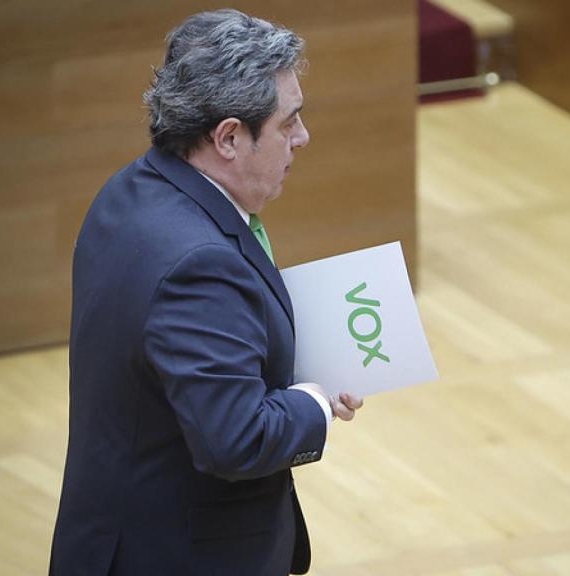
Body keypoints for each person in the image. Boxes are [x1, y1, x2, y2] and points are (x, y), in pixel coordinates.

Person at [49, 9, 362, 575]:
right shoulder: (201, 263)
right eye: (289, 123)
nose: (303, 137)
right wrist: (313, 402)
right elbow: (235, 439)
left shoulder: (129, 192)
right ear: (228, 138)